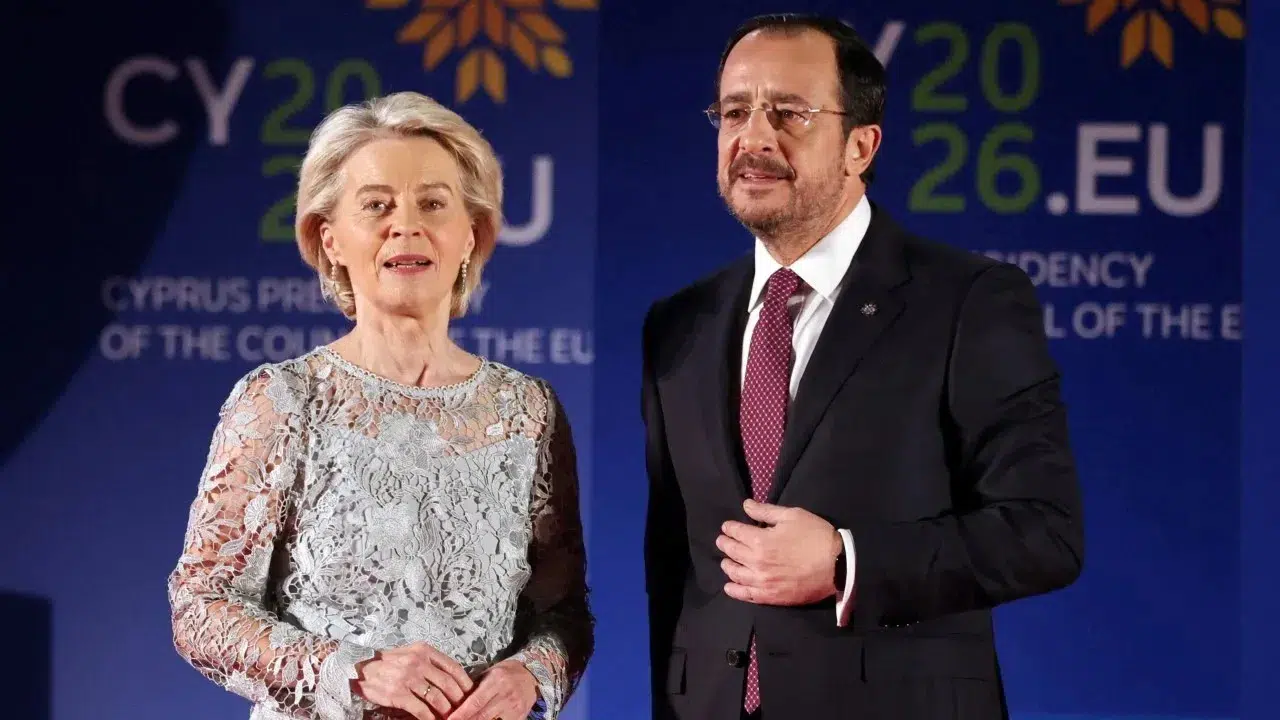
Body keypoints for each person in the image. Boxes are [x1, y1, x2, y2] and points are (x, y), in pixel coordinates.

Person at [641, 14, 1084, 720]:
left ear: (860, 145)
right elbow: (674, 567)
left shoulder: (966, 301)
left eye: (789, 112)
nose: (753, 138)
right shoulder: (678, 324)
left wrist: (848, 561)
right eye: (734, 112)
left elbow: (1043, 533)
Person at [168, 91, 593, 720]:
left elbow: (563, 614)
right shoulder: (284, 400)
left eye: (433, 203)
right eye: (377, 205)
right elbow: (201, 606)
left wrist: (529, 675)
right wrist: (353, 670)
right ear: (330, 239)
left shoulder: (528, 410)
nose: (406, 225)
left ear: (471, 234)